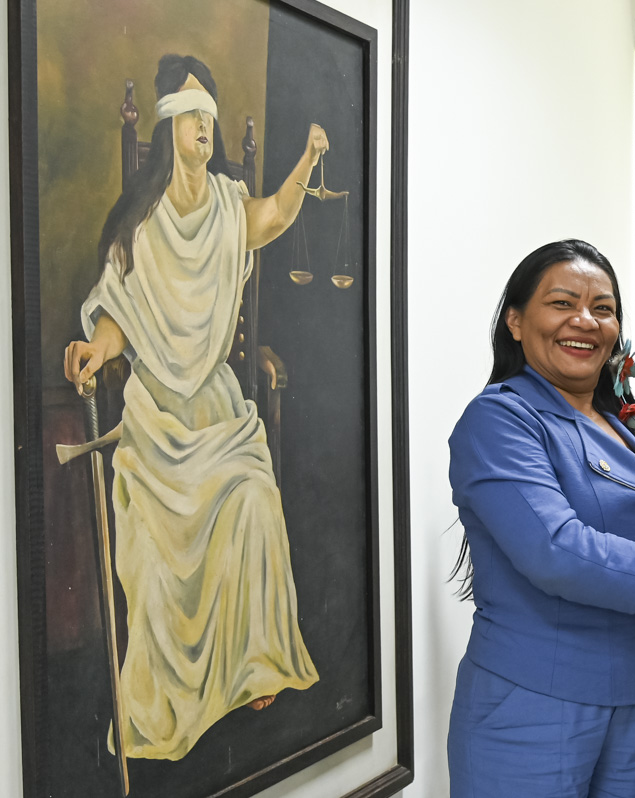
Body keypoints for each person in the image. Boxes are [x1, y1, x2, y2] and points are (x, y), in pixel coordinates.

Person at [63, 54, 324, 761]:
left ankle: (256, 662)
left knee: (253, 497)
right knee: (153, 546)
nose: (206, 128)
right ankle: (170, 698)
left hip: (215, 405)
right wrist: (97, 349)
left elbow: (273, 216)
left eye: (211, 116)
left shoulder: (227, 206)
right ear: (169, 125)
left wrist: (303, 163)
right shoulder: (141, 226)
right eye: (195, 117)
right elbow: (118, 310)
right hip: (158, 412)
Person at [446, 239, 635, 798]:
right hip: (532, 704)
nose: (584, 320)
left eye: (603, 308)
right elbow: (557, 551)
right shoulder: (499, 420)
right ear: (515, 320)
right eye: (562, 303)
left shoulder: (619, 426)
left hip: (631, 701)